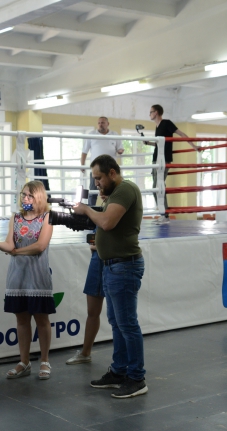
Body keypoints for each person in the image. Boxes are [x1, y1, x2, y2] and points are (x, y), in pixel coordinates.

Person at [71, 155, 146, 399]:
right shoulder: (115, 193)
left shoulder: (125, 189)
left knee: (127, 324)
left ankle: (136, 378)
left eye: (99, 178)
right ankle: (119, 371)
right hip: (113, 266)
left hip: (124, 266)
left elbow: (107, 223)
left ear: (112, 173)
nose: (96, 183)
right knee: (117, 322)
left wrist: (86, 209)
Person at [0, 180, 55, 380]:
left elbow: (40, 246)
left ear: (39, 197)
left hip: (38, 276)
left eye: (30, 195)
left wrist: (16, 252)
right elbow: (9, 245)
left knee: (42, 319)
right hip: (18, 276)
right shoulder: (16, 218)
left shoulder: (47, 217)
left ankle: (44, 361)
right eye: (24, 195)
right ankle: (24, 361)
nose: (25, 199)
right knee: (21, 319)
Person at [65, 194, 107, 365]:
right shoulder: (102, 208)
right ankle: (85, 352)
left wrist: (87, 210)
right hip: (97, 260)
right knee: (92, 311)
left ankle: (124, 361)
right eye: (97, 182)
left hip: (115, 261)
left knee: (118, 315)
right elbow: (95, 241)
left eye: (100, 181)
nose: (99, 186)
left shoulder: (120, 203)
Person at [146, 104, 200, 223]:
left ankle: (165, 215)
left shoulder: (166, 123)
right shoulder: (157, 127)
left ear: (156, 112)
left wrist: (194, 146)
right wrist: (148, 143)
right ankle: (163, 214)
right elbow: (160, 144)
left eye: (151, 112)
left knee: (158, 187)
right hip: (156, 159)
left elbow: (181, 134)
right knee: (156, 188)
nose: (149, 114)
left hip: (164, 159)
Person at [81, 117, 124, 207]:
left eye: (103, 123)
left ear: (108, 124)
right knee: (93, 192)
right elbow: (84, 151)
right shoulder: (91, 134)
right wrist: (82, 165)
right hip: (96, 170)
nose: (100, 124)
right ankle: (91, 210)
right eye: (99, 123)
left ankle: (112, 209)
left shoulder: (114, 134)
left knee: (113, 190)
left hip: (110, 170)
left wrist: (120, 151)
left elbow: (120, 148)